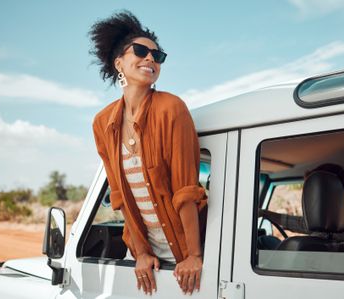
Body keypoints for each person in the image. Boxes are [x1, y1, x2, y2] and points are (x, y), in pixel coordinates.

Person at [89, 11, 206, 295]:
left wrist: (194, 256)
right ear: (119, 63)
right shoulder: (102, 123)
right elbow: (119, 196)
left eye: (158, 55)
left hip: (184, 253)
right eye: (141, 51)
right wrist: (140, 253)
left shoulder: (171, 108)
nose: (150, 58)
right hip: (143, 256)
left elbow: (185, 191)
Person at [260, 163, 344, 251]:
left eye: (311, 192)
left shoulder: (341, 232)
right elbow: (302, 224)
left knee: (264, 241)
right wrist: (266, 213)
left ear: (322, 194)